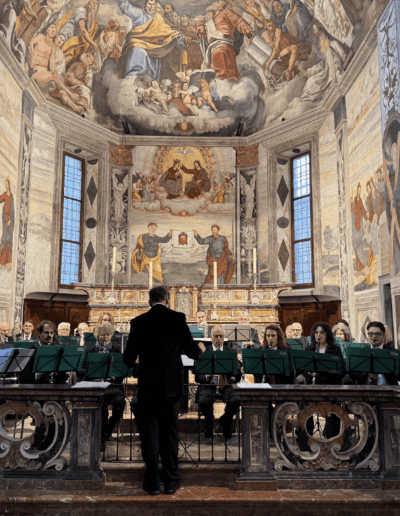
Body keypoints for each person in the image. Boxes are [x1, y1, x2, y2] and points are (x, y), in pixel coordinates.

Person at [123, 286, 204, 496]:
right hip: (171, 388)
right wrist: (201, 351)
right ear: (167, 299)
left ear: (149, 301)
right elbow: (192, 350)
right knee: (170, 434)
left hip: (148, 388)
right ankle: (170, 482)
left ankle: (152, 482)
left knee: (150, 435)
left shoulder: (138, 322)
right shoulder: (178, 318)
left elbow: (128, 359)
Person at [79, 322, 126, 448]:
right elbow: (80, 370)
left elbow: (121, 371)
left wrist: (116, 376)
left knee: (120, 404)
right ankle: (101, 440)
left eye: (108, 334)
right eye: (102, 335)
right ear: (97, 336)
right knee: (103, 409)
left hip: (112, 386)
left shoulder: (116, 349)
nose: (105, 337)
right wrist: (93, 372)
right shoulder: (90, 350)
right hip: (96, 386)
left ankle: (107, 431)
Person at [117, 0, 188, 81]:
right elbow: (125, 7)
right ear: (145, 5)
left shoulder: (158, 18)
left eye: (153, 4)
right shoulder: (139, 13)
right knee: (139, 52)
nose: (152, 7)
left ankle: (153, 80)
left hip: (154, 48)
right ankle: (134, 77)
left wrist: (177, 36)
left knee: (165, 54)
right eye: (149, 4)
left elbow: (167, 31)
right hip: (138, 43)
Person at [195, 326, 241, 440]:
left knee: (236, 400)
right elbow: (198, 376)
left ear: (224, 338)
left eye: (221, 336)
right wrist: (208, 375)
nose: (218, 338)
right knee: (204, 401)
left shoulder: (231, 352)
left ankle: (226, 420)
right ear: (211, 337)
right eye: (216, 336)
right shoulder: (204, 352)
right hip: (208, 385)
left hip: (226, 385)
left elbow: (238, 372)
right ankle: (209, 422)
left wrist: (234, 377)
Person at [198, 1, 253, 81]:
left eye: (218, 2)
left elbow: (238, 21)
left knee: (220, 59)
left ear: (221, 5)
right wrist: (202, 32)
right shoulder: (211, 20)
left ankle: (224, 82)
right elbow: (207, 35)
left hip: (225, 43)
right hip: (214, 45)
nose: (215, 3)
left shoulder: (226, 12)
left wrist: (246, 28)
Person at [57, 0, 100, 67]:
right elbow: (83, 30)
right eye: (93, 2)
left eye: (96, 4)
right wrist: (93, 43)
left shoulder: (92, 22)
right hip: (65, 38)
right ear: (88, 5)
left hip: (74, 45)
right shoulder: (81, 10)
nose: (94, 4)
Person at [0, 177, 14, 270]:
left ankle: (9, 263)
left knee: (9, 241)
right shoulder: (5, 194)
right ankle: (2, 261)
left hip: (10, 222)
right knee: (4, 239)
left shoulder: (11, 196)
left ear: (9, 185)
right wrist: (7, 220)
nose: (6, 186)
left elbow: (13, 211)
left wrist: (11, 220)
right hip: (5, 221)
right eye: (5, 185)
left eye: (7, 184)